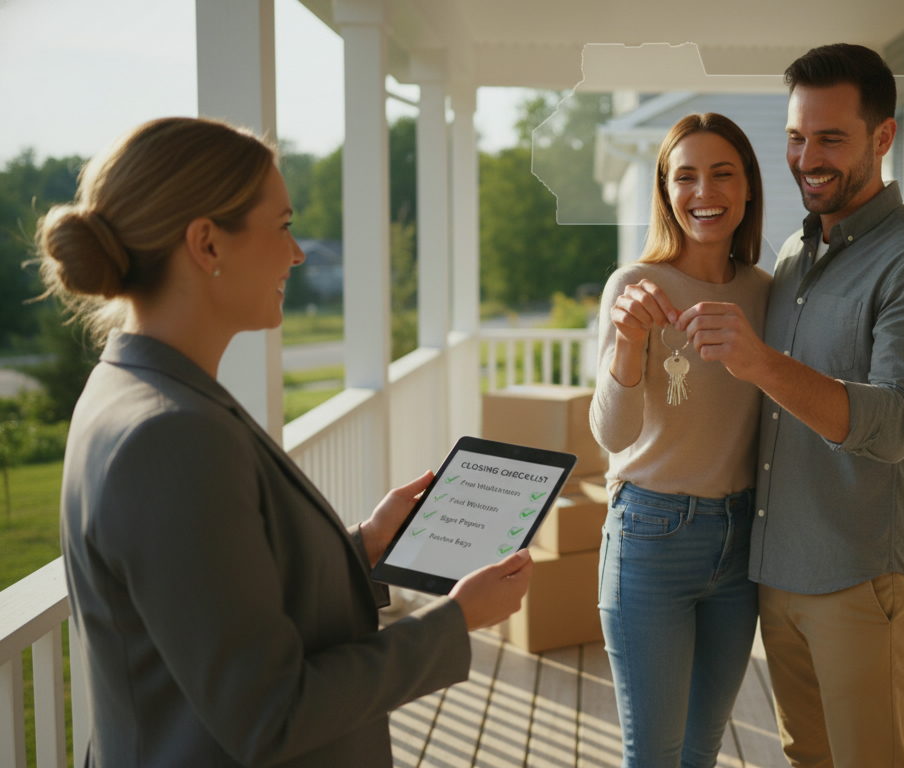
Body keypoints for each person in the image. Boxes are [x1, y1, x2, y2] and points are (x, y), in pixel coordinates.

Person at [38, 117, 533, 768]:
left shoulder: (131, 387)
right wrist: (456, 620)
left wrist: (365, 547)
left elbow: (215, 602)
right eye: (283, 226)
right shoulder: (170, 434)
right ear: (207, 244)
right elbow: (271, 713)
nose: (297, 254)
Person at [674, 45, 904, 768]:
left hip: (862, 578)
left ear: (883, 136)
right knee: (808, 758)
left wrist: (761, 363)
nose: (807, 158)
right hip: (778, 571)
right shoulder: (793, 254)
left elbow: (899, 423)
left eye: (831, 138)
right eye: (795, 137)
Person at [588, 112, 771, 768]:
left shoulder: (766, 293)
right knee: (655, 758)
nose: (704, 192)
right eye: (685, 176)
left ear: (747, 187)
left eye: (722, 174)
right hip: (651, 537)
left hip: (741, 544)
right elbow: (613, 434)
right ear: (665, 191)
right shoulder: (634, 286)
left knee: (701, 751)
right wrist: (629, 344)